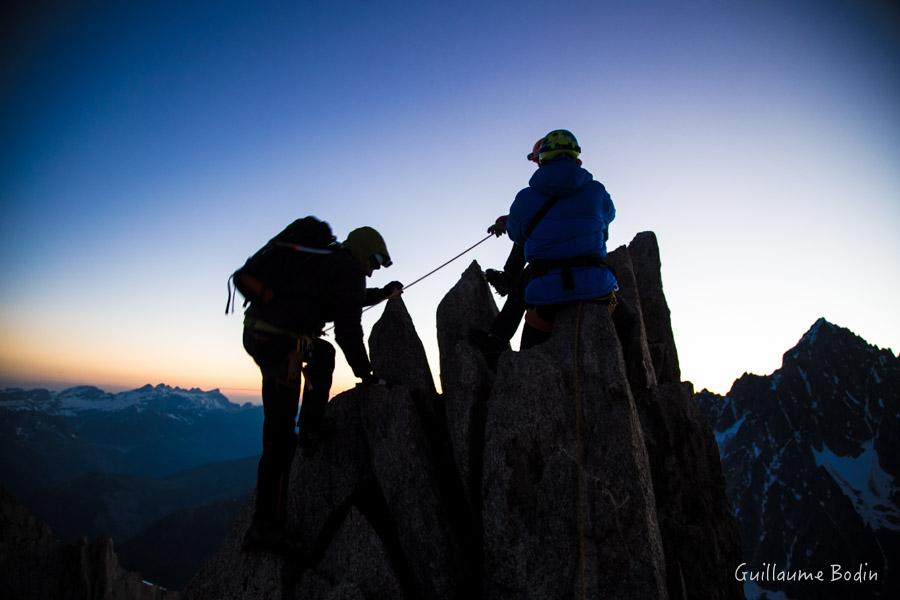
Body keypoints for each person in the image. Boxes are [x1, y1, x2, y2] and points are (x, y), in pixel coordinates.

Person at [237, 222, 402, 552]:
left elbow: (342, 301)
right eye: (373, 263)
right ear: (362, 253)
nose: (371, 272)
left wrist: (381, 294)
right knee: (280, 439)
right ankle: (265, 528)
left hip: (263, 334)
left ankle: (310, 425)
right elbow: (348, 331)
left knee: (322, 353)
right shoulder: (347, 269)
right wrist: (366, 374)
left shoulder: (327, 263)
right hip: (281, 346)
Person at [475, 129, 621, 358]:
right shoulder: (596, 191)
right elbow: (607, 218)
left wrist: (512, 223)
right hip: (595, 283)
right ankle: (640, 373)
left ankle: (497, 336)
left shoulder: (526, 197)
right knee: (629, 322)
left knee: (520, 289)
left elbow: (517, 234)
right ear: (576, 158)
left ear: (542, 159)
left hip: (544, 285)